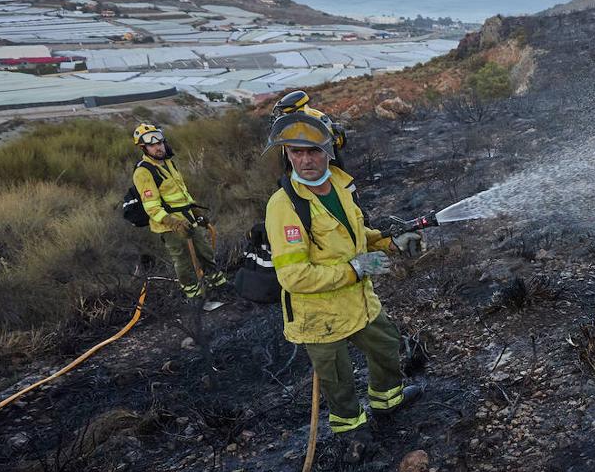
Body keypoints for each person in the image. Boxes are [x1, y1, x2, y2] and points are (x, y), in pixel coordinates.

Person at [263, 113, 423, 443]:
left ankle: (387, 400)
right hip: (318, 316)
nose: (305, 160)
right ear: (287, 154)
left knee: (386, 344)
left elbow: (354, 232)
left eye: (314, 151)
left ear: (330, 150)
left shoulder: (339, 184)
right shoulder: (284, 207)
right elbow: (293, 276)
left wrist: (390, 243)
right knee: (338, 378)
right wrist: (355, 269)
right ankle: (351, 430)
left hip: (358, 300)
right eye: (296, 152)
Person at [131, 123, 228, 300]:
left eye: (160, 142)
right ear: (143, 148)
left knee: (204, 251)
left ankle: (218, 284)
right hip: (170, 226)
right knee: (184, 260)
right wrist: (174, 223)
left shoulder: (168, 162)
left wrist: (196, 213)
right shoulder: (143, 172)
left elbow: (182, 193)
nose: (158, 146)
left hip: (187, 218)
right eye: (152, 144)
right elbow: (152, 207)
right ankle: (194, 295)